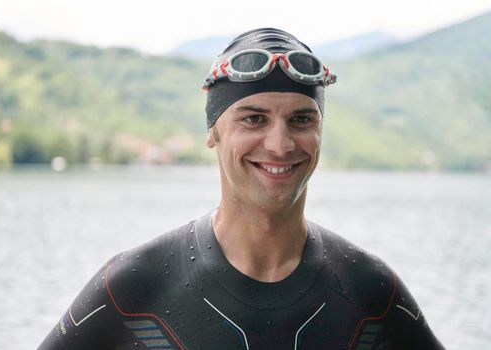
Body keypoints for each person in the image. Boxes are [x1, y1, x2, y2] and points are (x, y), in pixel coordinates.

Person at [39, 28, 445, 350]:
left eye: (302, 120)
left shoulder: (370, 290)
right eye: (253, 119)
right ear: (213, 131)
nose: (280, 144)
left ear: (321, 132)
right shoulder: (132, 285)